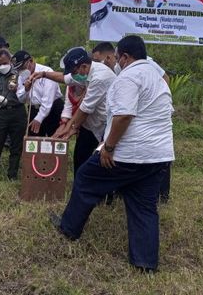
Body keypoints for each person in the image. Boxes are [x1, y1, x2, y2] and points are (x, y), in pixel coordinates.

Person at [49, 35, 175, 273]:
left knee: (85, 178)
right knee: (144, 206)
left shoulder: (129, 76)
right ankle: (145, 262)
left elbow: (124, 116)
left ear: (125, 57)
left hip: (129, 153)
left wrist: (108, 147)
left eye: (117, 58)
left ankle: (69, 228)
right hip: (158, 155)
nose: (115, 62)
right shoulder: (157, 78)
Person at [92, 42, 172, 203]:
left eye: (99, 60)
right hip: (126, 118)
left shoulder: (146, 63)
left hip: (145, 119)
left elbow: (165, 79)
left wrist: (154, 102)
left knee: (155, 159)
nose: (99, 64)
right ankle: (123, 191)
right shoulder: (117, 68)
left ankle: (162, 195)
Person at [27, 47, 116, 175]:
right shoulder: (83, 72)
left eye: (74, 72)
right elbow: (64, 78)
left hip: (106, 124)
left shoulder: (99, 78)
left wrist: (69, 128)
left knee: (103, 159)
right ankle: (79, 185)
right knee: (80, 156)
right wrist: (44, 74)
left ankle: (106, 193)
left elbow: (85, 109)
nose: (73, 76)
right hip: (90, 123)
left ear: (84, 66)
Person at [0, 49, 27, 180]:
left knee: (16, 145)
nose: (2, 66)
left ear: (10, 61)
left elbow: (26, 94)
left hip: (18, 112)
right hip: (2, 113)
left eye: (4, 63)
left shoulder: (20, 74)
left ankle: (12, 175)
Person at [13, 50, 64, 137]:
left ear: (30, 61)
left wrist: (39, 118)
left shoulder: (47, 71)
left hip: (53, 109)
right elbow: (21, 99)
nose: (21, 70)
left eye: (22, 67)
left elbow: (48, 100)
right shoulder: (22, 76)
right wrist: (26, 89)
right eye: (18, 69)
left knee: (55, 141)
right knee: (33, 143)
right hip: (33, 110)